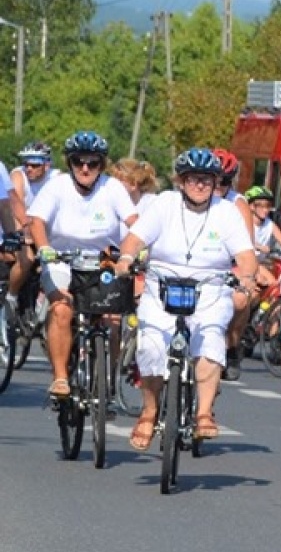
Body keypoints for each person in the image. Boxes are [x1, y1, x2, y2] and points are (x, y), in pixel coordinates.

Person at [113, 148, 259, 449]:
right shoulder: (164, 204)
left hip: (209, 290)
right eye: (193, 178)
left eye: (206, 179)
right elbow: (135, 237)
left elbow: (245, 255)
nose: (200, 185)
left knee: (210, 342)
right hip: (161, 287)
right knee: (152, 346)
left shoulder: (226, 212)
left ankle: (204, 414)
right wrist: (127, 257)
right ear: (181, 181)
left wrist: (246, 278)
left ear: (215, 181)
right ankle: (149, 411)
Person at [27, 132, 139, 399]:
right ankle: (61, 378)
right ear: (69, 163)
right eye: (79, 162)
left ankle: (106, 380)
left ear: (102, 164)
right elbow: (37, 222)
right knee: (62, 309)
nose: (85, 168)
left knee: (112, 319)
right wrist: (44, 248)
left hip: (103, 261)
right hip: (62, 260)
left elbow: (135, 222)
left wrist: (137, 251)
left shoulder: (113, 188)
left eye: (93, 163)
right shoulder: (56, 187)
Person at [6, 141, 56, 314]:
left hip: (44, 229)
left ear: (47, 165)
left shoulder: (57, 178)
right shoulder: (18, 176)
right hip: (20, 224)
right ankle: (11, 297)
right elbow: (16, 206)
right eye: (26, 164)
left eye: (35, 165)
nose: (29, 169)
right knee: (26, 259)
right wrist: (25, 233)